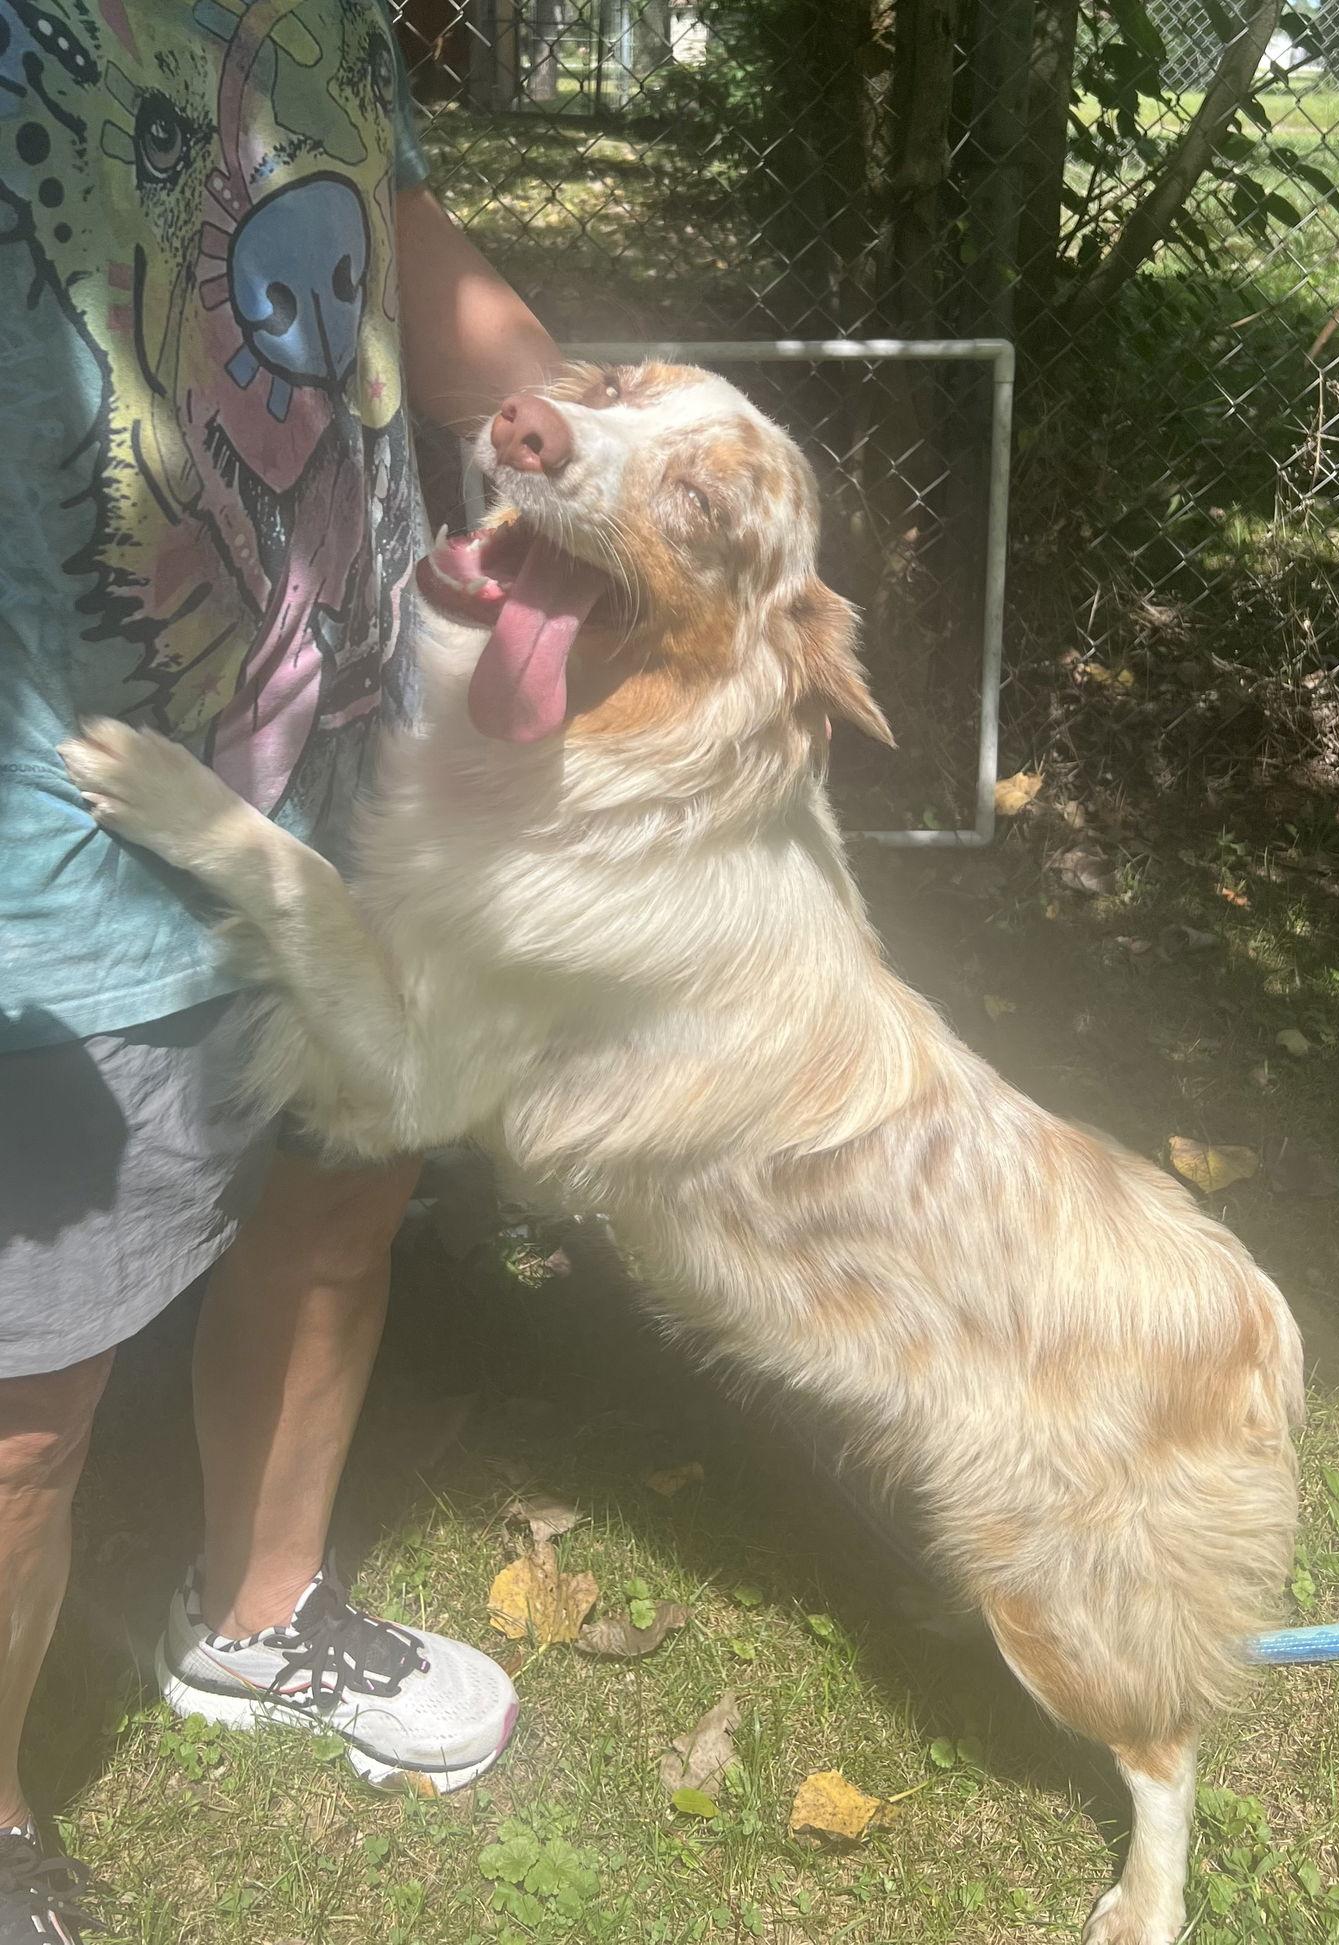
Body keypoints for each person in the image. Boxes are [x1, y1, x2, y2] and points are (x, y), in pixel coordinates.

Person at [0, 0, 562, 1931]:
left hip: (347, 785)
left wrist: (596, 436)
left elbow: (394, 239)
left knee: (340, 1207)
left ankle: (258, 1611)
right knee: (22, 1405)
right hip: (52, 845)